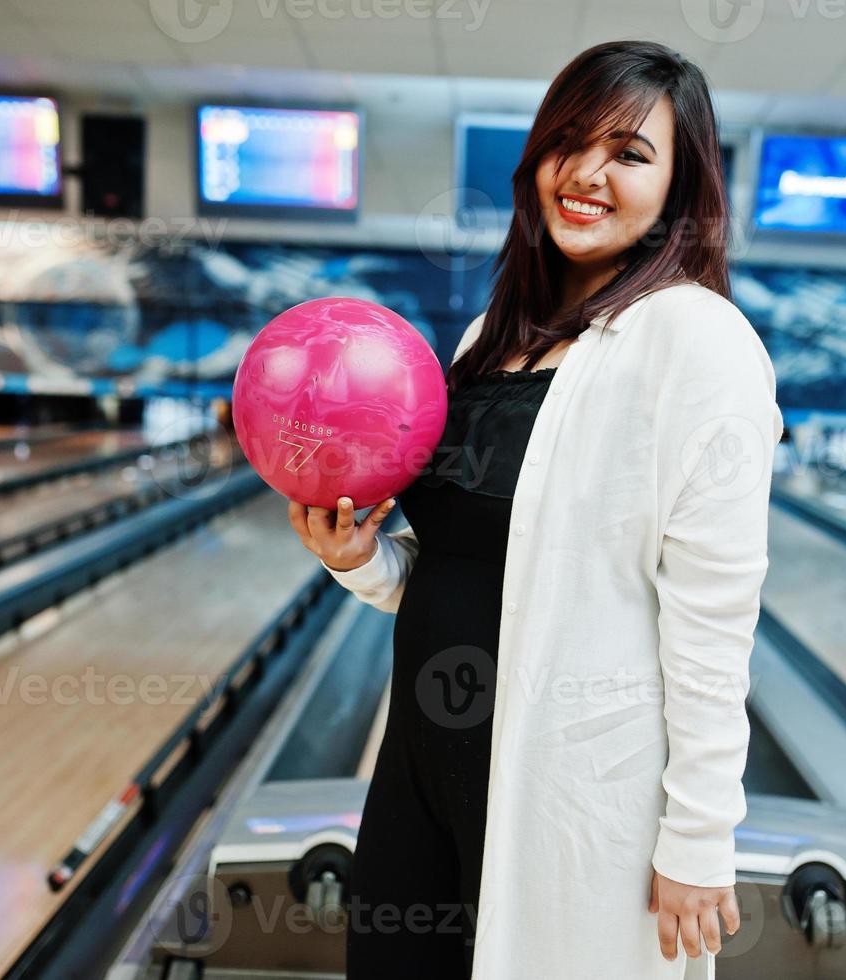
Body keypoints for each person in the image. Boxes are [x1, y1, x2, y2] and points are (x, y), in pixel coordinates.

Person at [287, 40, 782, 980]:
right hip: (420, 763)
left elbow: (714, 618)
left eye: (630, 155)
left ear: (679, 188)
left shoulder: (696, 340)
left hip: (569, 781)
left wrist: (700, 836)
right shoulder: (491, 336)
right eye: (569, 142)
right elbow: (477, 572)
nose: (587, 175)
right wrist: (359, 558)